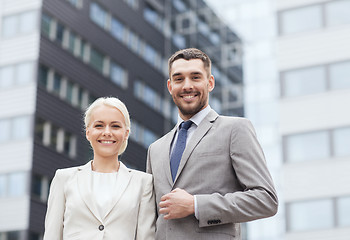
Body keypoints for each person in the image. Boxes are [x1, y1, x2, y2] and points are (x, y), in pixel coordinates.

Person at [146, 48, 278, 240]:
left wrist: (196, 204)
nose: (187, 86)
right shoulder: (155, 149)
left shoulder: (235, 129)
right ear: (170, 86)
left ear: (210, 83)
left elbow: (266, 199)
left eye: (195, 77)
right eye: (179, 79)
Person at [43, 97, 156, 240]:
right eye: (99, 126)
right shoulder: (63, 178)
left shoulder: (143, 183)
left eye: (115, 126)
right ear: (88, 132)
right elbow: (52, 235)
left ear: (126, 133)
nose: (107, 132)